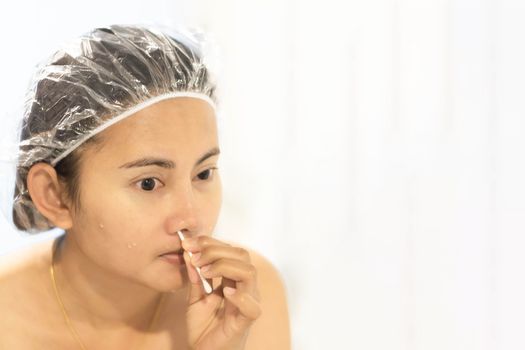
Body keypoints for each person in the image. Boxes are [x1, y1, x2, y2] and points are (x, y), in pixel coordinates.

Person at [0, 24, 290, 349]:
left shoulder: (244, 300)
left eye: (204, 174)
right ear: (53, 196)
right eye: (149, 183)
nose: (190, 218)